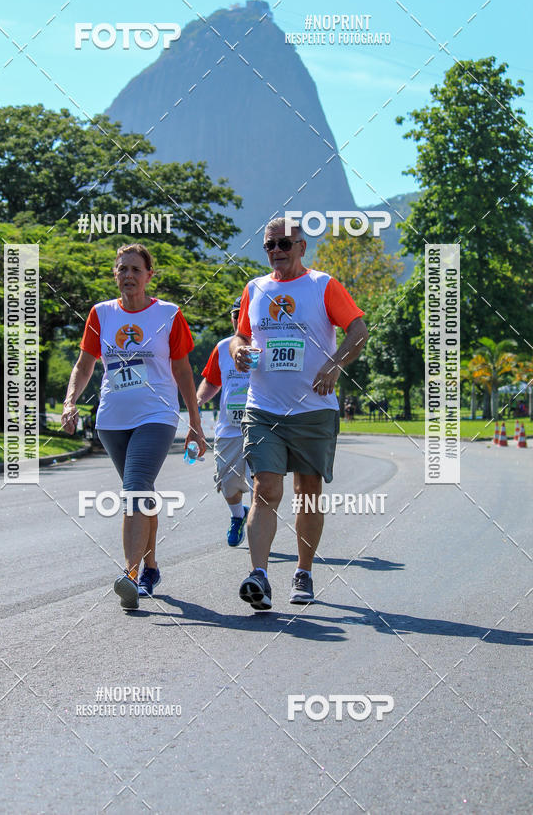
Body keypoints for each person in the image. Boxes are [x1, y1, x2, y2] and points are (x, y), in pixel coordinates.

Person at [230, 217, 368, 609]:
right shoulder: (255, 288)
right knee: (266, 488)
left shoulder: (323, 285)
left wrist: (336, 364)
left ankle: (303, 571)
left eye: (284, 245)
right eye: (270, 246)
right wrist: (238, 349)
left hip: (312, 411)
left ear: (302, 247)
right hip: (263, 408)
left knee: (308, 495)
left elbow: (358, 330)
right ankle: (259, 575)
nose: (276, 252)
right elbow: (242, 334)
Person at [61, 243, 206, 611]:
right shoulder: (101, 314)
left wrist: (195, 422)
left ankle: (129, 575)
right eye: (122, 269)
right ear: (116, 274)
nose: (128, 275)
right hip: (111, 420)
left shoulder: (169, 314)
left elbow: (183, 370)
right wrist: (70, 401)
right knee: (141, 492)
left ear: (149, 276)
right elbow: (85, 364)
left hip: (156, 415)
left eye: (135, 270)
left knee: (134, 489)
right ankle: (151, 568)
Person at [196, 296, 252, 547]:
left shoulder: (267, 345)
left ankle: (259, 531)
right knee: (228, 484)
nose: (241, 318)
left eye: (246, 313)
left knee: (261, 483)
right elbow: (211, 382)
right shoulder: (222, 348)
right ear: (232, 319)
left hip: (261, 427)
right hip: (230, 428)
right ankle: (238, 516)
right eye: (236, 314)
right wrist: (195, 403)